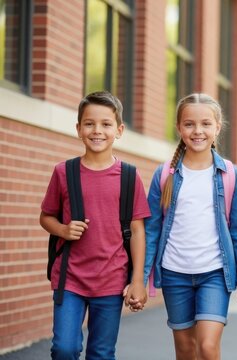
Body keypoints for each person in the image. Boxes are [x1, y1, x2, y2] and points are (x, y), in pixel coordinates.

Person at [40, 91, 151, 360]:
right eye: (89, 124)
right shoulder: (63, 172)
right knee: (64, 349)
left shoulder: (129, 176)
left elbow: (137, 230)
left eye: (105, 124)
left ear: (119, 130)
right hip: (70, 278)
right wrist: (63, 230)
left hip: (111, 279)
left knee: (101, 353)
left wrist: (138, 281)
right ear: (78, 129)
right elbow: (46, 217)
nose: (97, 131)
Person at [144, 93, 237, 360]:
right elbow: (151, 229)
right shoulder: (165, 174)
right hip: (174, 273)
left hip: (214, 272)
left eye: (205, 124)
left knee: (208, 347)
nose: (197, 131)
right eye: (189, 124)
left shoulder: (230, 174)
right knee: (186, 350)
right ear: (179, 128)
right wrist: (141, 277)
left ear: (217, 127)